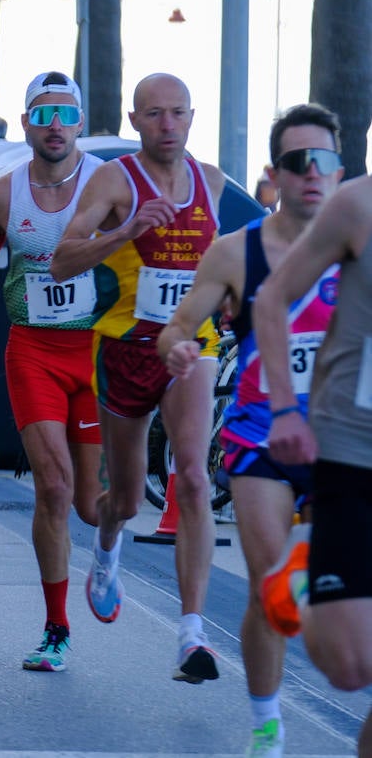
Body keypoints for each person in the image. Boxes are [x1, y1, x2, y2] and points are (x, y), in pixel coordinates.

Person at [159, 103, 343, 755]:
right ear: (274, 175)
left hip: (344, 442)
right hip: (260, 438)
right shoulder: (237, 253)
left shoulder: (361, 249)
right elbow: (179, 326)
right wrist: (179, 348)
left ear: (342, 170)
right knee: (272, 586)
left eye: (324, 161)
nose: (313, 174)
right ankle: (268, 728)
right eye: (298, 162)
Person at [51, 72, 228, 683]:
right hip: (126, 349)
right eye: (154, 114)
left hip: (191, 349)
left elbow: (219, 261)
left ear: (191, 117)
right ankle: (105, 548)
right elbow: (61, 259)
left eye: (178, 113)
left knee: (196, 479)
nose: (168, 124)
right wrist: (125, 230)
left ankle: (191, 634)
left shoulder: (213, 181)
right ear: (135, 120)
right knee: (123, 498)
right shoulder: (114, 180)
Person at [0, 72, 104, 672]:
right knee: (54, 487)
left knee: (92, 506)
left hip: (96, 354)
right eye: (44, 114)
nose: (56, 125)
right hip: (33, 352)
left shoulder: (107, 185)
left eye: (66, 113)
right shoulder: (0, 195)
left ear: (81, 122)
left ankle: (107, 552)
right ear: (25, 125)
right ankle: (56, 627)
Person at [253, 164, 372, 758]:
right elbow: (273, 299)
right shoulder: (357, 207)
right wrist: (284, 411)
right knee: (352, 668)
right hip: (354, 450)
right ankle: (302, 565)